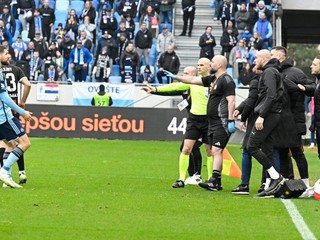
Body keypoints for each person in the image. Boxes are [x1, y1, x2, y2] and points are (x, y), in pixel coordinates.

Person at [164, 55, 236, 191]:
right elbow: (192, 79)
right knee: (209, 151)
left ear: (219, 65)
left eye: (213, 62)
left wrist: (231, 119)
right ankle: (208, 180)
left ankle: (213, 180)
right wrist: (176, 77)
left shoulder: (227, 80)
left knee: (215, 151)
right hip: (211, 121)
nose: (211, 64)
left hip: (221, 121)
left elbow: (231, 101)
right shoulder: (213, 79)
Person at [142, 58, 213, 187]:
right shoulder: (192, 83)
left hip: (209, 121)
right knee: (186, 148)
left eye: (201, 65)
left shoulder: (213, 82)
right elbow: (174, 87)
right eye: (197, 65)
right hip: (194, 120)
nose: (199, 67)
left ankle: (210, 179)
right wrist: (156, 90)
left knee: (209, 151)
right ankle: (181, 179)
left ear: (209, 66)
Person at [270, 46, 314, 195]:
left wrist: (304, 88)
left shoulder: (295, 72)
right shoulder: (274, 72)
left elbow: (312, 86)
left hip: (294, 120)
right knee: (282, 152)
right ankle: (287, 182)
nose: (271, 57)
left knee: (297, 152)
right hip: (279, 120)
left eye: (272, 54)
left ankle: (306, 185)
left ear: (280, 57)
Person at [245, 49, 284, 198]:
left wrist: (261, 115)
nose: (254, 61)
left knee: (252, 146)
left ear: (264, 59)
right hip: (273, 114)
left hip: (268, 115)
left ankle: (276, 178)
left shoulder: (269, 72)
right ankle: (269, 187)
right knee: (267, 149)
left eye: (256, 58)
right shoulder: (272, 71)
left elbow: (271, 95)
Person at [0, 45, 33, 188]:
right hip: (4, 117)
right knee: (25, 143)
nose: (9, 56)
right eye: (6, 53)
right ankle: (4, 171)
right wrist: (22, 111)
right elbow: (4, 98)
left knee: (10, 144)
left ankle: (6, 180)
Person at [232, 66, 260, 194]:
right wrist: (240, 107)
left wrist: (243, 117)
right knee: (268, 151)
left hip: (256, 118)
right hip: (268, 118)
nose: (254, 64)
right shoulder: (275, 77)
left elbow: (252, 100)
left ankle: (244, 184)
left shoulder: (257, 80)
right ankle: (267, 183)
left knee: (247, 150)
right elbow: (250, 99)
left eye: (257, 60)